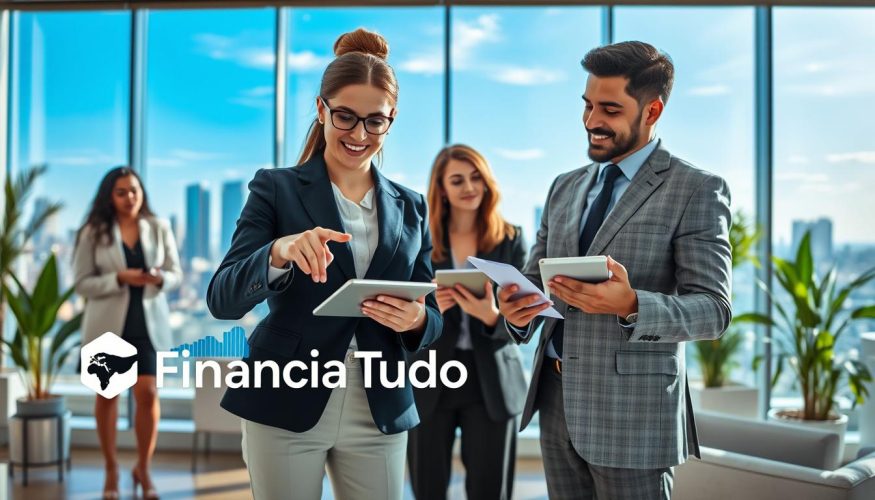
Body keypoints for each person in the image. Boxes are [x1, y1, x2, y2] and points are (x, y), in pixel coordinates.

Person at [206, 28, 443, 500]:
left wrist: (416, 319)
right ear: (321, 110)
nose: (359, 134)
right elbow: (223, 298)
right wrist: (279, 252)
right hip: (285, 394)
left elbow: (431, 317)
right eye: (345, 117)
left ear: (391, 120)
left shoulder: (412, 206)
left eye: (375, 121)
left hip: (380, 403)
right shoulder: (276, 188)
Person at [496, 41, 732, 500]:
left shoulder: (695, 189)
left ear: (652, 109)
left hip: (634, 419)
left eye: (609, 109)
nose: (591, 122)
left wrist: (631, 304)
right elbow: (533, 282)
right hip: (555, 403)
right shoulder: (564, 187)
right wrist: (515, 309)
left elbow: (714, 310)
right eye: (587, 105)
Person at [407, 145, 527, 500]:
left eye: (476, 177)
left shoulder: (511, 239)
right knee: (428, 488)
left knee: (490, 491)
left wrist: (489, 314)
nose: (469, 187)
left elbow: (525, 319)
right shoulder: (418, 241)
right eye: (457, 180)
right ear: (441, 189)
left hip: (491, 378)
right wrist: (428, 313)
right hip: (430, 377)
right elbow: (400, 316)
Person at [73, 167, 183, 500]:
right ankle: (110, 469)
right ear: (109, 195)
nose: (129, 197)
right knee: (107, 398)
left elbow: (176, 274)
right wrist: (120, 278)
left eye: (134, 190)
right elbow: (82, 283)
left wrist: (158, 278)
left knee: (147, 394)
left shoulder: (159, 227)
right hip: (106, 327)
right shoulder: (93, 232)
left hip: (147, 326)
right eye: (121, 192)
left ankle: (143, 468)